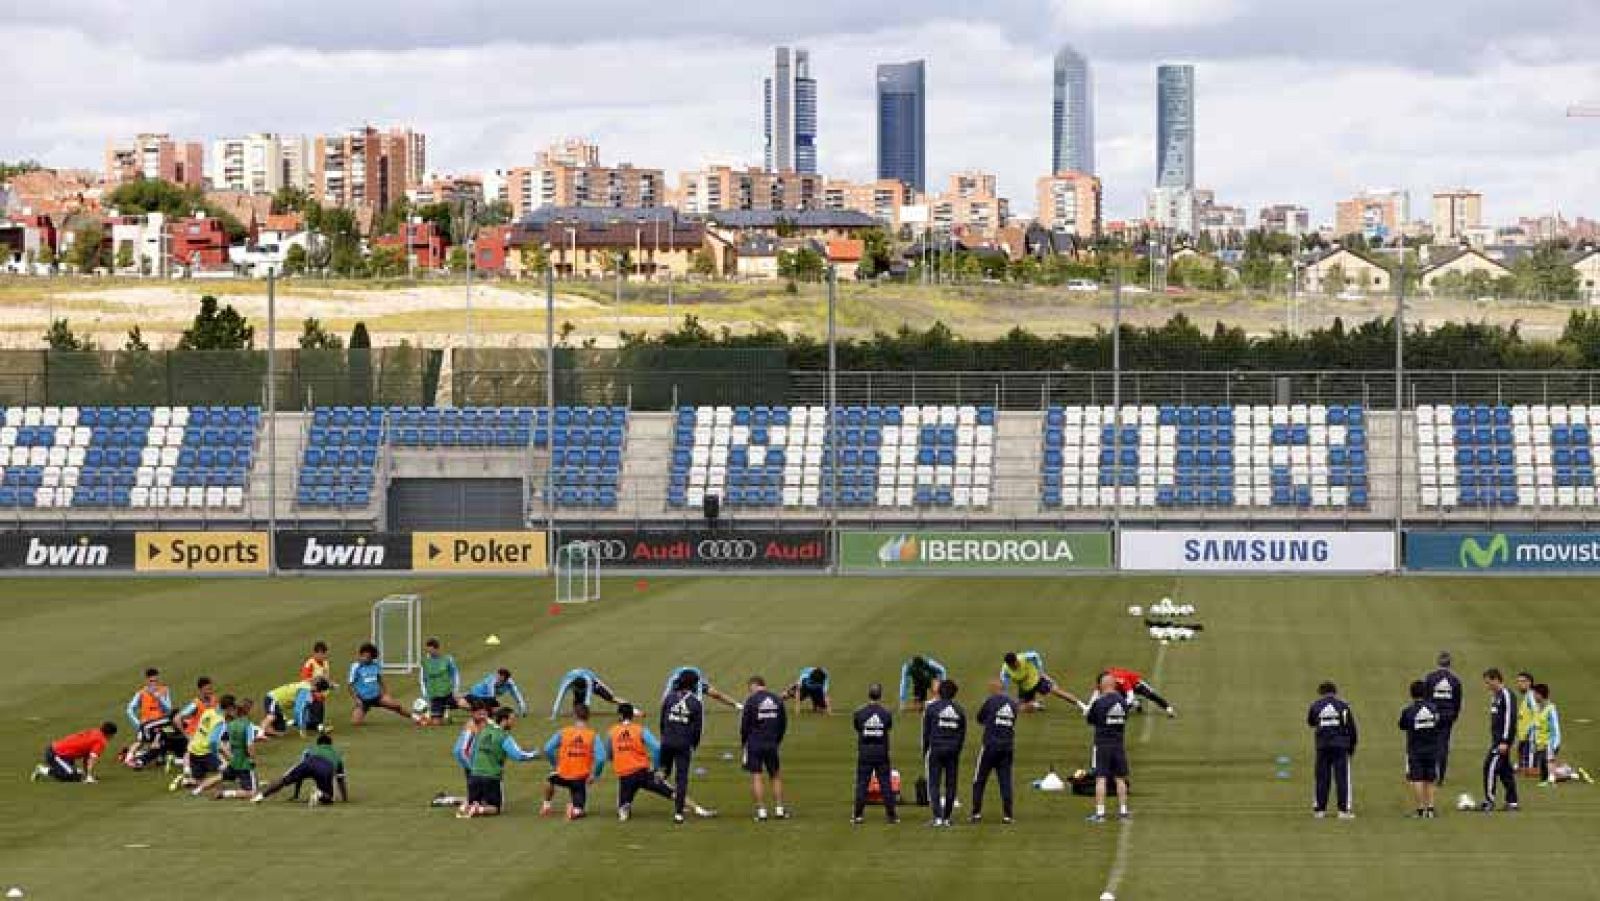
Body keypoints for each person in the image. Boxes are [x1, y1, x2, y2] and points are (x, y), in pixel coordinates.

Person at [606, 703, 716, 822]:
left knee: (622, 806)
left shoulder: (612, 731)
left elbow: (609, 753)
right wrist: (657, 767)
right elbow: (657, 748)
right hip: (643, 771)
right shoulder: (640, 730)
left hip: (625, 775)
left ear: (620, 715)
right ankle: (698, 809)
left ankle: (625, 808)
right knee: (671, 792)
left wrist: (618, 759)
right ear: (632, 715)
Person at [458, 707, 541, 818]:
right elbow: (518, 755)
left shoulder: (484, 731)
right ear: (504, 720)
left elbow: (472, 750)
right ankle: (478, 809)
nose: (514, 722)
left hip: (474, 776)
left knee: (476, 801)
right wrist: (534, 754)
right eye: (512, 719)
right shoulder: (504, 736)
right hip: (491, 777)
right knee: (496, 808)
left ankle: (467, 806)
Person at [539, 702, 608, 820]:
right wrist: (595, 775)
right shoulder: (593, 735)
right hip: (580, 778)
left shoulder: (563, 732)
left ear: (574, 715)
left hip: (562, 774)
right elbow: (601, 758)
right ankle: (574, 810)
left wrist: (555, 765)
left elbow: (547, 749)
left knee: (550, 779)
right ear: (588, 717)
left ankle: (546, 805)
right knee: (579, 810)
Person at [659, 669, 706, 824]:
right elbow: (697, 729)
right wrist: (694, 745)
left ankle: (649, 783)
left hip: (667, 742)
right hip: (683, 744)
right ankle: (678, 812)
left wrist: (664, 737)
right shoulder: (695, 703)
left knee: (663, 772)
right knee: (681, 778)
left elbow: (662, 721)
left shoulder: (669, 698)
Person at [740, 676, 789, 821]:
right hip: (771, 743)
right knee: (775, 775)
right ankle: (779, 809)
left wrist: (744, 742)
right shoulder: (777, 700)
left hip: (754, 743)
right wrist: (777, 740)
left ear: (754, 685)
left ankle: (761, 811)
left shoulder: (751, 701)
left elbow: (744, 725)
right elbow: (783, 723)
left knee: (756, 776)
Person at [252, 733, 349, 807]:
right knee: (328, 798)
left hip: (309, 762)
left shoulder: (310, 750)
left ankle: (260, 796)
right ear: (330, 744)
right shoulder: (337, 755)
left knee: (283, 781)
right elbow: (340, 780)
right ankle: (319, 794)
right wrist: (345, 798)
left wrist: (296, 794)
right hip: (325, 767)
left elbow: (300, 774)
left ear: (318, 743)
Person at [1306, 681, 1357, 819]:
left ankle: (1320, 810)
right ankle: (1343, 811)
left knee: (1321, 778)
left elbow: (1311, 722)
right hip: (1340, 746)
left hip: (1322, 746)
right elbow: (1351, 728)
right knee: (1342, 779)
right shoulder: (1344, 706)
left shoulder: (1315, 705)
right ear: (1335, 692)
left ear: (1320, 692)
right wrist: (1351, 747)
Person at [1085, 672, 1132, 823]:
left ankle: (1100, 814)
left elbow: (1090, 719)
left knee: (1101, 779)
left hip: (1102, 745)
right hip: (1118, 744)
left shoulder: (1099, 702)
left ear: (1101, 685)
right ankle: (1123, 812)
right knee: (1120, 779)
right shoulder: (1123, 702)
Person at [971, 679, 1018, 824]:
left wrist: (990, 722)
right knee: (1005, 781)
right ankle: (1008, 815)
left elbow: (979, 718)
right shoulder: (1013, 704)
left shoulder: (990, 701)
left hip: (990, 746)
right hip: (1007, 747)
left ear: (995, 688)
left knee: (979, 780)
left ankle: (976, 813)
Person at [921, 678, 966, 828]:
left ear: (940, 692)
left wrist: (926, 750)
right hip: (953, 751)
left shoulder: (932, 708)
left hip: (936, 749)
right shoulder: (959, 710)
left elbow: (926, 733)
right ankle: (947, 818)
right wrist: (957, 749)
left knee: (933, 784)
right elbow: (962, 734)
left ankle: (937, 817)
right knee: (951, 784)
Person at [851, 683, 898, 825]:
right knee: (885, 784)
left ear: (869, 694)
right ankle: (891, 816)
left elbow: (857, 727)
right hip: (881, 752)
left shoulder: (859, 713)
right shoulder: (886, 713)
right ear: (880, 695)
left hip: (865, 752)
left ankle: (858, 815)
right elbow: (888, 727)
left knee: (862, 784)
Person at [1397, 680, 1441, 818]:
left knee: (1417, 779)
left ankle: (1421, 809)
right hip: (1432, 748)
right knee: (1430, 779)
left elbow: (1402, 725)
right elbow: (1438, 724)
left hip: (1415, 749)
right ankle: (1431, 808)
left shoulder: (1408, 711)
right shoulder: (1434, 709)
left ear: (1411, 694)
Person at [174, 694, 233, 796]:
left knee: (198, 779)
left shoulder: (208, 711)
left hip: (193, 749)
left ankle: (185, 780)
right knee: (229, 771)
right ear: (229, 708)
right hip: (205, 752)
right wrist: (217, 755)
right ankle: (201, 788)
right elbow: (213, 742)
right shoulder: (220, 721)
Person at [432, 706, 490, 809]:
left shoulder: (485, 723)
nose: (482, 716)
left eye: (484, 714)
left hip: (476, 762)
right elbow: (462, 751)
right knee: (479, 801)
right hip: (470, 763)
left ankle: (445, 799)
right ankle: (444, 800)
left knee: (481, 799)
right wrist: (472, 769)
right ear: (473, 714)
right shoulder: (470, 729)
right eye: (479, 714)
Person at [1481, 668, 1520, 812]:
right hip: (1497, 740)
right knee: (1505, 771)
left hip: (1501, 742)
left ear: (1496, 679)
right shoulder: (1496, 696)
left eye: (1488, 682)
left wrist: (1505, 741)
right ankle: (1512, 802)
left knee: (1489, 767)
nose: (1487, 686)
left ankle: (1489, 801)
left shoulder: (1506, 695)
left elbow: (1510, 719)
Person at [1421, 651, 1463, 785]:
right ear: (1449, 664)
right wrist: (1454, 716)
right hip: (1447, 716)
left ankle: (1429, 774)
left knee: (1430, 744)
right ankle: (1441, 777)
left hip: (1432, 715)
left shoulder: (1430, 678)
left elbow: (1425, 697)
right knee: (1443, 745)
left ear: (1438, 663)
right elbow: (1457, 701)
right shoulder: (1455, 680)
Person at [1001, 651, 1087, 712]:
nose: (1014, 666)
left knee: (1056, 691)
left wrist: (1041, 671)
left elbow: (1035, 655)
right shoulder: (1005, 671)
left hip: (1038, 680)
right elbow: (1005, 687)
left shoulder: (1024, 657)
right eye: (1011, 666)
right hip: (1025, 689)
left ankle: (1082, 706)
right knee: (1020, 708)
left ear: (1016, 660)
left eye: (1015, 664)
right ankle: (1035, 704)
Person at [32, 722, 117, 784]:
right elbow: (92, 759)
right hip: (56, 754)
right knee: (70, 776)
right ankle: (41, 769)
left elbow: (87, 757)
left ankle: (74, 771)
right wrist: (89, 776)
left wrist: (88, 775)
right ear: (110, 734)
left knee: (78, 776)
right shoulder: (100, 741)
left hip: (65, 755)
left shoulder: (95, 732)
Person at [347, 642, 408, 725]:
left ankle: (414, 717)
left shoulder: (375, 665)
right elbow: (350, 685)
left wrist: (386, 693)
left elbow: (380, 680)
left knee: (397, 706)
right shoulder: (355, 666)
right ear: (360, 655)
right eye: (363, 656)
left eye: (368, 657)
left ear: (372, 657)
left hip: (377, 697)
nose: (365, 659)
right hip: (363, 700)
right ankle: (365, 709)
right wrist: (356, 699)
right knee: (355, 723)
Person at [123, 668, 173, 766]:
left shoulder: (164, 691)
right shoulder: (141, 693)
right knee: (140, 741)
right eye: (151, 681)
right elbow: (130, 710)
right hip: (145, 724)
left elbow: (169, 709)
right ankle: (128, 758)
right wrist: (138, 724)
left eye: (156, 681)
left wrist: (159, 697)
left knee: (161, 743)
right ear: (147, 681)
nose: (154, 684)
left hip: (160, 724)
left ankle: (157, 756)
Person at [212, 698, 259, 800]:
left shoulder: (231, 724)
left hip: (234, 760)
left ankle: (199, 789)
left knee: (223, 776)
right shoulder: (248, 725)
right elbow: (249, 745)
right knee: (253, 793)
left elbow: (225, 742)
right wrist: (252, 759)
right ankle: (224, 793)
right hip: (244, 763)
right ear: (248, 710)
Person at [416, 638, 467, 725]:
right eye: (428, 651)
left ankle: (481, 712)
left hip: (448, 692)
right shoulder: (425, 662)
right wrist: (425, 694)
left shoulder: (447, 659)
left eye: (431, 651)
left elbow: (455, 674)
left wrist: (455, 690)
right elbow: (422, 679)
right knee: (436, 723)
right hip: (435, 696)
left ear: (437, 649)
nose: (429, 653)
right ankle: (447, 717)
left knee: (464, 705)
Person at [260, 678, 328, 738]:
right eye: (322, 693)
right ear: (317, 690)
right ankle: (260, 733)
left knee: (281, 731)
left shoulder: (310, 686)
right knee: (271, 717)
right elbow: (299, 711)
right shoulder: (305, 692)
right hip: (273, 698)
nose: (323, 696)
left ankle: (268, 729)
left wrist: (331, 685)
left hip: (278, 704)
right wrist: (302, 729)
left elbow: (315, 680)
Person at [551, 667, 625, 719]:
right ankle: (578, 714)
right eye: (580, 689)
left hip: (594, 681)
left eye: (583, 689)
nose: (582, 691)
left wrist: (608, 689)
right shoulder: (566, 683)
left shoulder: (589, 680)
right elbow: (559, 698)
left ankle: (627, 706)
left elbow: (588, 697)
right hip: (578, 681)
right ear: (573, 686)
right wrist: (554, 715)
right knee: (577, 704)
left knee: (610, 698)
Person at [1106, 665, 1176, 718]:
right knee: (1118, 698)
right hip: (1124, 685)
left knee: (1151, 695)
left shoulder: (1121, 680)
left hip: (1136, 683)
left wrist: (1121, 708)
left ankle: (1168, 709)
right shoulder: (1108, 680)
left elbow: (1130, 695)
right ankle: (1136, 703)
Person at [662, 666, 741, 710]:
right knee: (676, 696)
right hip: (681, 682)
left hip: (694, 678)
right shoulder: (674, 681)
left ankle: (736, 705)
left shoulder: (697, 680)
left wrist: (696, 707)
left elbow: (699, 698)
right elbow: (666, 695)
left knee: (715, 694)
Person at [1532, 684, 1562, 787]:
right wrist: (1534, 740)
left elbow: (1555, 727)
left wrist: (1554, 744)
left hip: (1549, 742)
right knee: (1543, 766)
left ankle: (1552, 781)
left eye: (1535, 694)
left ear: (1540, 695)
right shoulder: (1537, 708)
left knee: (1549, 762)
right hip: (1540, 743)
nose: (1534, 696)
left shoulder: (1551, 709)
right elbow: (1536, 725)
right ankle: (1566, 773)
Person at [1515, 671, 1538, 773]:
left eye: (1523, 681)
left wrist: (1530, 730)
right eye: (1518, 681)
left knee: (1531, 770)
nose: (1519, 684)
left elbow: (1537, 713)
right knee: (1523, 767)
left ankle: (1564, 772)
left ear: (1529, 683)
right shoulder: (1528, 696)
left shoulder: (1531, 696)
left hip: (1530, 736)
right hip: (1525, 736)